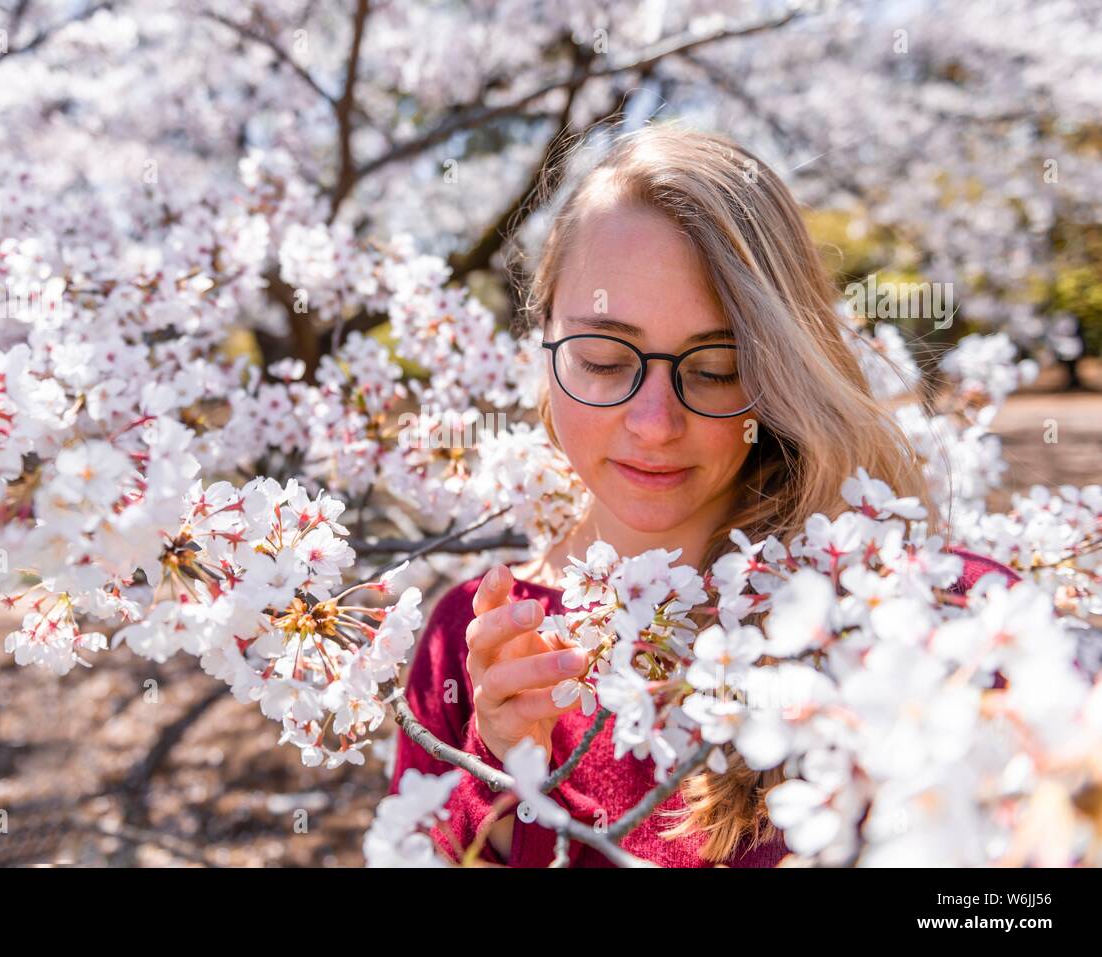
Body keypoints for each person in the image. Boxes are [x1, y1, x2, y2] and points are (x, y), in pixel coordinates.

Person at [385, 123, 1021, 867]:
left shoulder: (923, 615)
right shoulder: (471, 640)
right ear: (543, 337)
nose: (655, 423)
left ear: (778, 374)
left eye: (716, 367)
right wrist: (499, 776)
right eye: (602, 358)